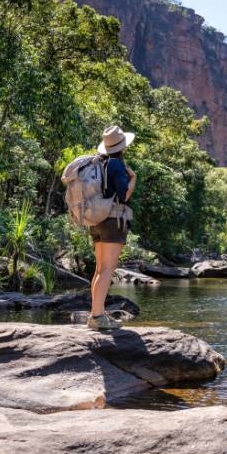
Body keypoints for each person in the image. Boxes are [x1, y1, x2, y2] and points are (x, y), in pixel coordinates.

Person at [87, 125, 137, 330]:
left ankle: (95, 313)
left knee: (100, 269)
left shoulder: (98, 163)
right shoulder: (116, 165)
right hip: (112, 221)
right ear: (121, 147)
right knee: (107, 269)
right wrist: (133, 179)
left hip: (96, 220)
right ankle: (97, 317)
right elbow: (124, 195)